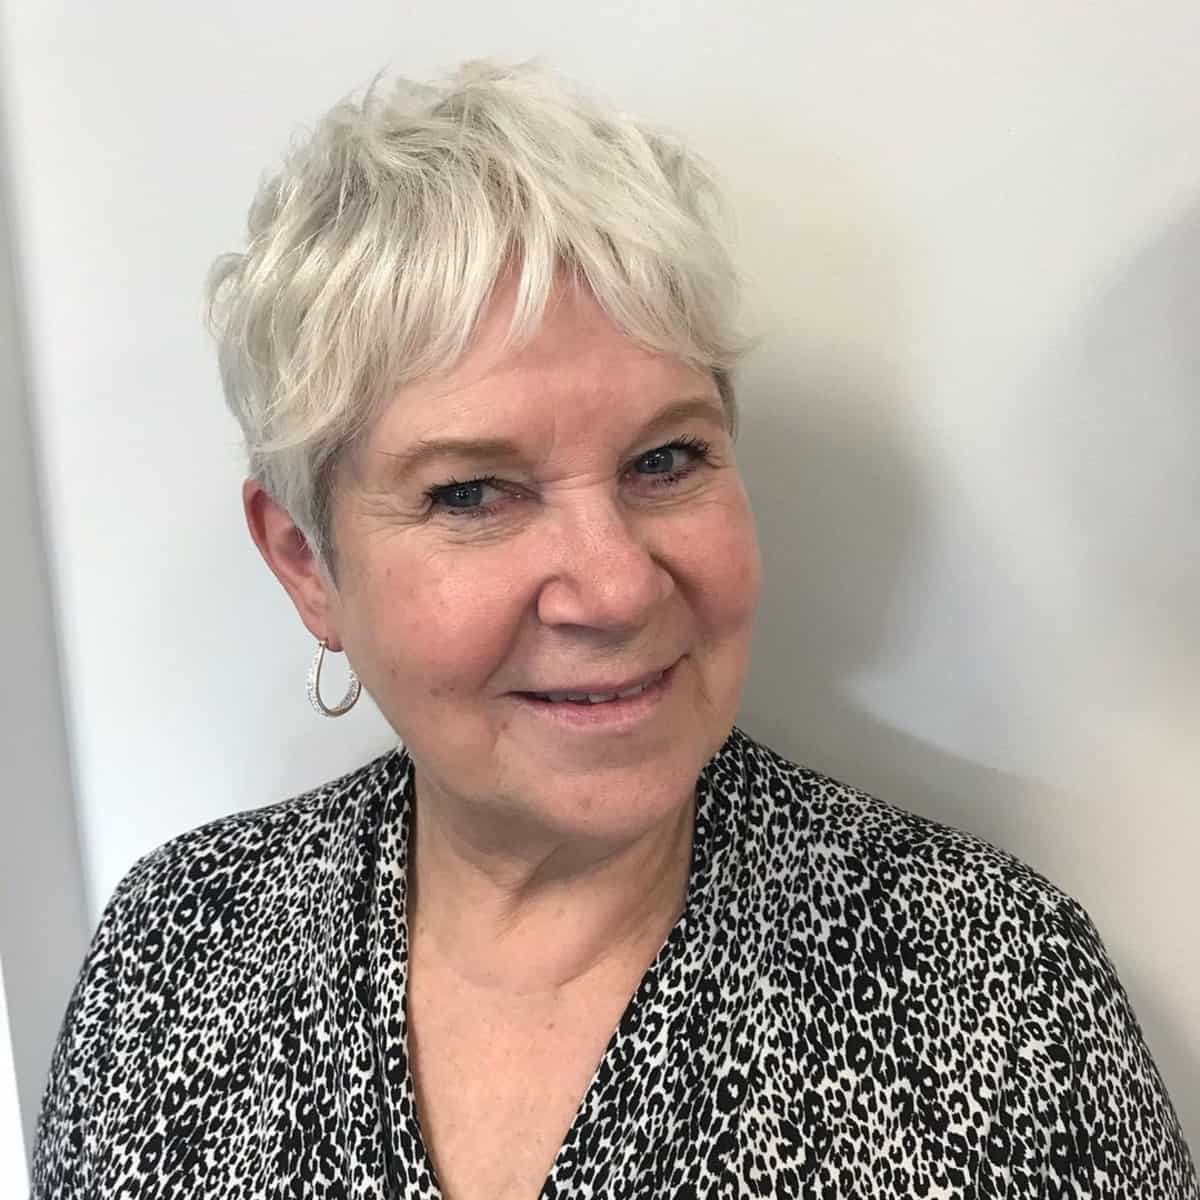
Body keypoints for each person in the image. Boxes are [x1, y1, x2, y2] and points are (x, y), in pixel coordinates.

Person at [31, 59, 1197, 1199]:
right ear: (306, 563)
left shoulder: (996, 990)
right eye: (472, 492)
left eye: (665, 459)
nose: (619, 589)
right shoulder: (174, 953)